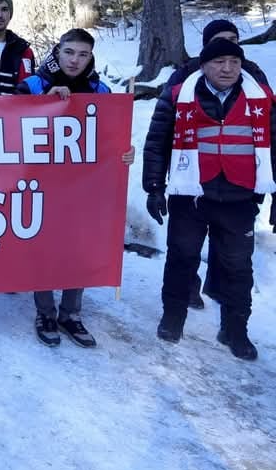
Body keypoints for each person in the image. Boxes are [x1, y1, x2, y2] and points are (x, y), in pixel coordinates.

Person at [142, 38, 275, 361]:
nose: (227, 68)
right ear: (203, 66)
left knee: (237, 268)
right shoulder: (177, 96)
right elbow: (156, 142)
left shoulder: (262, 100)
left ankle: (235, 328)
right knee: (181, 259)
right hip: (191, 196)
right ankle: (173, 318)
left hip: (240, 197)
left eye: (233, 61)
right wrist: (154, 187)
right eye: (219, 62)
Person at [17, 28, 135, 347]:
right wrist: (44, 102)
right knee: (44, 247)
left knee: (79, 247)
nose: (75, 60)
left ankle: (71, 313)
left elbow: (110, 136)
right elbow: (7, 124)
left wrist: (125, 151)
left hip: (83, 185)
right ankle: (45, 312)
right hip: (40, 181)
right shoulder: (33, 83)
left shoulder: (100, 89)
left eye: (83, 54)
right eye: (69, 52)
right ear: (58, 51)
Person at [161, 19, 268, 310]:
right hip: (191, 179)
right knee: (185, 249)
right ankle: (187, 293)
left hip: (240, 183)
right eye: (220, 42)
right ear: (206, 47)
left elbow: (265, 129)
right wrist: (157, 182)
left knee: (231, 252)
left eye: (234, 40)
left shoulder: (254, 77)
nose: (229, 47)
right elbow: (164, 129)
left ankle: (221, 297)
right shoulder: (183, 77)